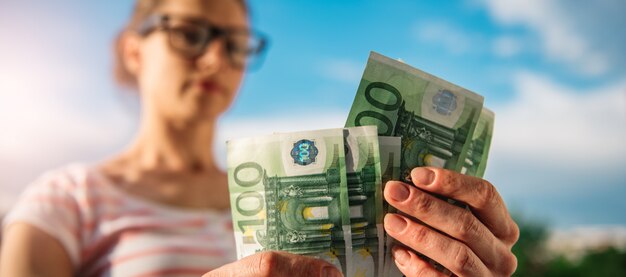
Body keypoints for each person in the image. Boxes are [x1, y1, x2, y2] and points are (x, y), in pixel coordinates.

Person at [0, 0, 519, 276]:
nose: (215, 58)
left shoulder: (332, 205)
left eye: (236, 43)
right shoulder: (65, 201)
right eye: (189, 32)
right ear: (134, 50)